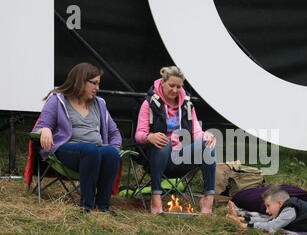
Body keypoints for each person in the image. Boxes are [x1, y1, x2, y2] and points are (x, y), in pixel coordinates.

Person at [33, 62, 122, 213]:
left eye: (98, 84)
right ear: (80, 81)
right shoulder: (57, 100)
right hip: (67, 151)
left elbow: (115, 133)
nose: (97, 88)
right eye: (93, 83)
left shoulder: (100, 103)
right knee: (90, 149)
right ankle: (86, 206)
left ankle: (103, 207)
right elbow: (41, 126)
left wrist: (114, 147)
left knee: (111, 154)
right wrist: (46, 129)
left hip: (95, 151)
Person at [135, 66, 216, 214]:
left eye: (179, 86)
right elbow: (139, 134)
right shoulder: (149, 103)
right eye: (171, 85)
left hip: (181, 157)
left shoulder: (187, 104)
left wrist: (206, 136)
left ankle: (208, 198)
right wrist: (150, 137)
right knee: (163, 141)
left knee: (208, 145)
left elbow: (196, 132)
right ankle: (156, 197)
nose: (175, 90)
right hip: (157, 158)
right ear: (163, 82)